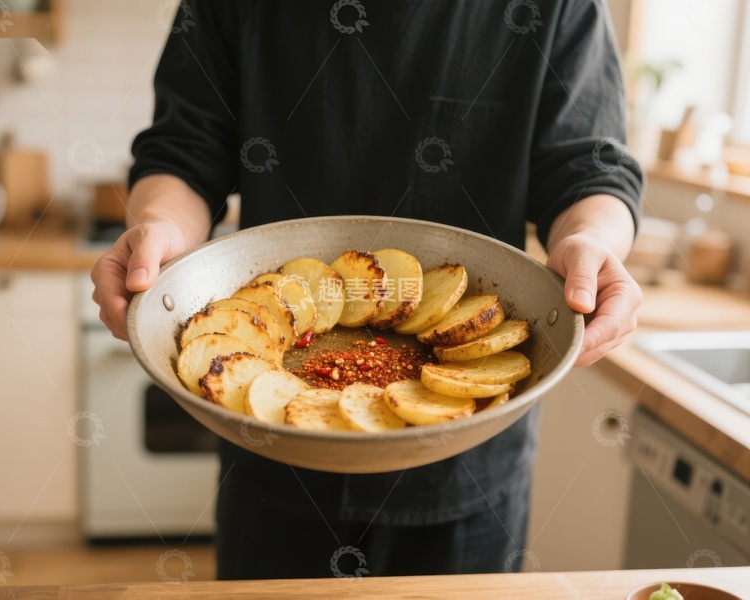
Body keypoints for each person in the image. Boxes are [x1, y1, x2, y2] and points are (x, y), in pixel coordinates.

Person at [92, 0, 643, 580]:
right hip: (268, 450)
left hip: (466, 460)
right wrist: (163, 229)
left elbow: (590, 167)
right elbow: (184, 150)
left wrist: (592, 239)